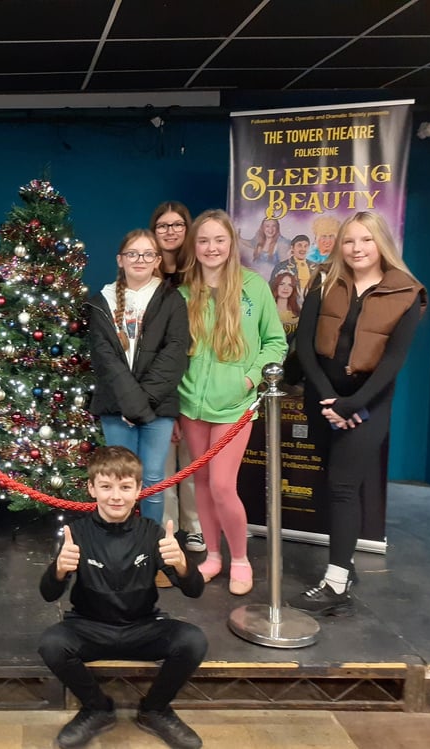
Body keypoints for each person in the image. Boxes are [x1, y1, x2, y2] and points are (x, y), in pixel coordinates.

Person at [288, 211, 426, 616]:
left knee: (345, 486)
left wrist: (355, 404)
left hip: (369, 402)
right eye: (349, 241)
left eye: (365, 240)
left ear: (380, 242)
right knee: (332, 484)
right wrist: (330, 400)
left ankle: (335, 585)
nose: (356, 249)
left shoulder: (407, 292)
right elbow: (306, 346)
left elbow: (393, 361)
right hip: (324, 398)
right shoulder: (324, 280)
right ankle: (344, 566)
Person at [38, 446, 206, 749]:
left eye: (125, 487)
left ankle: (155, 709)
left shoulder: (152, 533)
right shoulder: (75, 533)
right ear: (92, 488)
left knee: (193, 640)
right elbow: (49, 594)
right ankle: (97, 708)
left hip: (141, 626)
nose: (116, 496)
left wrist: (182, 564)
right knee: (51, 644)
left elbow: (194, 590)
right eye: (106, 487)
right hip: (89, 627)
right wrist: (58, 570)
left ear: (139, 489)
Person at [178, 209, 287, 596]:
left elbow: (276, 342)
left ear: (231, 244)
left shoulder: (254, 287)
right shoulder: (183, 291)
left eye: (219, 240)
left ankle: (239, 558)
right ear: (195, 245)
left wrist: (248, 378)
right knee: (202, 483)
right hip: (191, 405)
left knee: (224, 485)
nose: (211, 248)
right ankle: (213, 556)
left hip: (234, 406)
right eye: (203, 240)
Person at [87, 229, 188, 532]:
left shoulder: (172, 300)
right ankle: (120, 544)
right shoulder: (100, 301)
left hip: (158, 406)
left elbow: (174, 355)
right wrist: (130, 406)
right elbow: (105, 359)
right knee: (119, 480)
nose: (139, 260)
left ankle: (151, 545)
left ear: (157, 260)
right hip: (115, 405)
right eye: (132, 254)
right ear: (120, 259)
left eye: (147, 254)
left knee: (154, 478)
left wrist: (141, 406)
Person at [150, 200, 205, 555]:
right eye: (162, 225)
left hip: (198, 377)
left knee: (196, 460)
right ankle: (166, 530)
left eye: (177, 225)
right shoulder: (146, 275)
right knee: (163, 465)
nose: (170, 231)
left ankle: (195, 527)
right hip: (160, 380)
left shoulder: (199, 274)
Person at [270, 234, 316, 301]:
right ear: (292, 248)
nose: (303, 249)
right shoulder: (282, 266)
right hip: (290, 304)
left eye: (305, 246)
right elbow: (272, 288)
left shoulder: (315, 267)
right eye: (299, 245)